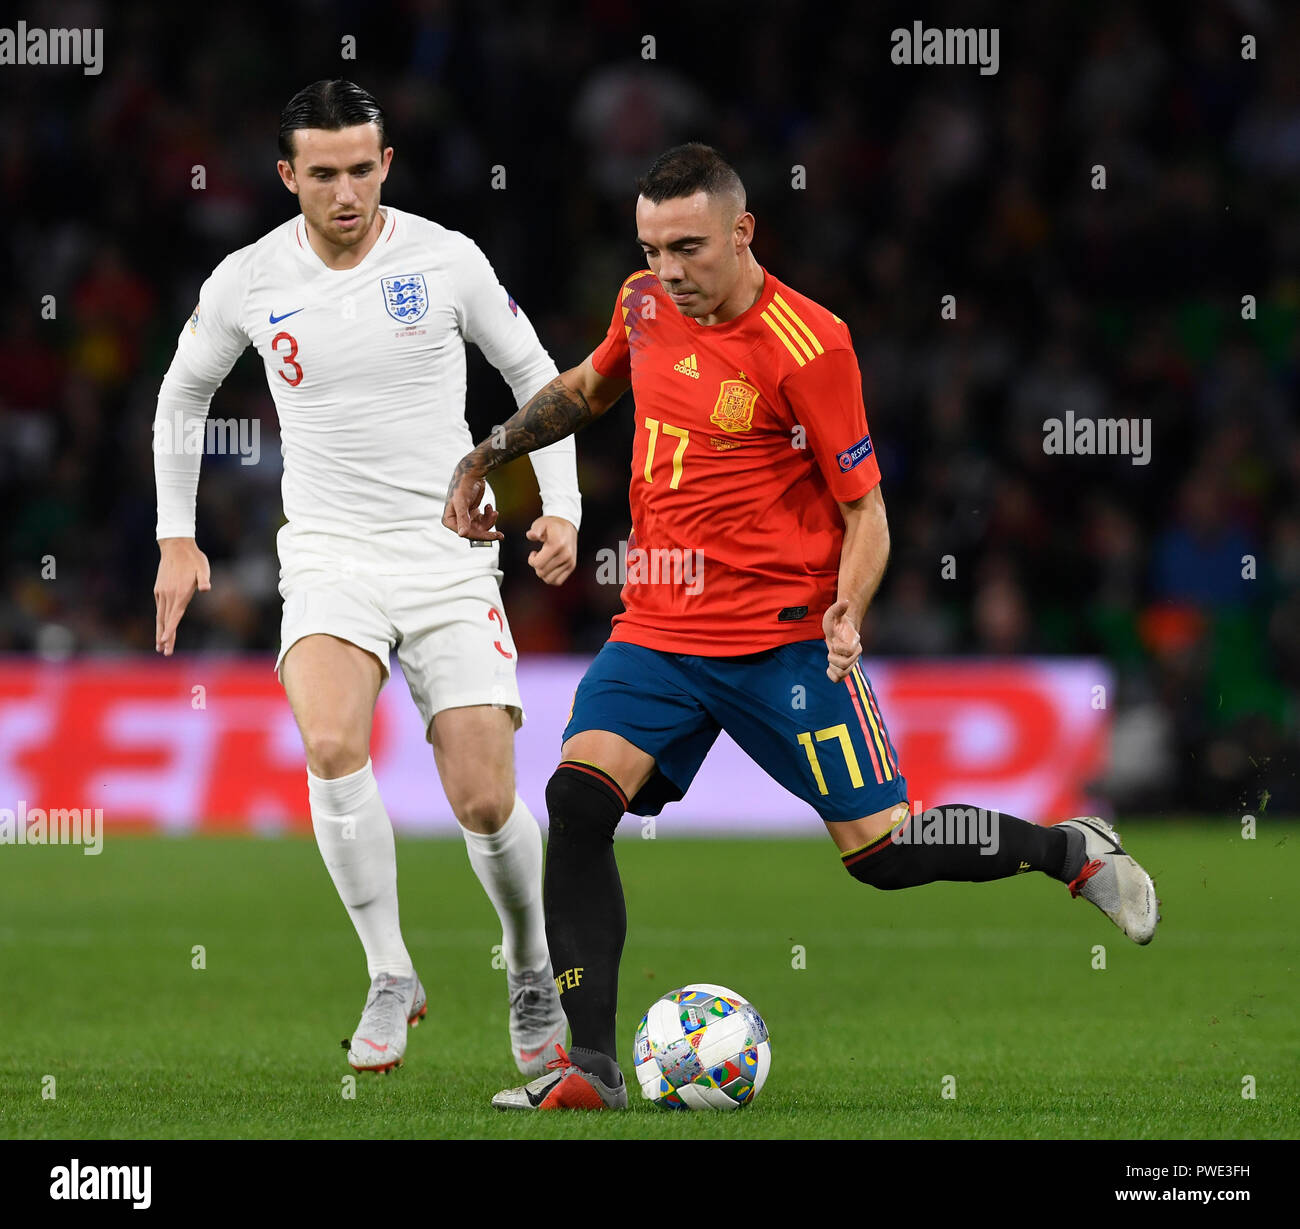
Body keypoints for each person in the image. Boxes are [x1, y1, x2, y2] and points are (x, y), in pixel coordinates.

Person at [442, 143, 1160, 1111]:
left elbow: (866, 509)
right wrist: (489, 453)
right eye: (651, 247)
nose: (668, 270)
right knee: (575, 806)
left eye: (689, 246)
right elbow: (587, 387)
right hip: (658, 627)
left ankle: (1066, 850)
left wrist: (847, 611)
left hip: (784, 637)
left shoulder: (810, 343)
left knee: (885, 854)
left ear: (743, 232)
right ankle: (594, 1066)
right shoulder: (641, 304)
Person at [152, 80, 570, 1076]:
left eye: (362, 170)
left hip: (445, 552)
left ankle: (529, 959)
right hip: (330, 553)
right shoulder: (250, 277)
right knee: (332, 737)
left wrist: (562, 507)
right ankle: (391, 970)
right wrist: (177, 535)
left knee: (480, 796)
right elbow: (183, 393)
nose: (346, 192)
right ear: (290, 174)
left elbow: (538, 376)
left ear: (386, 163)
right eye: (323, 174)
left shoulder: (446, 258)